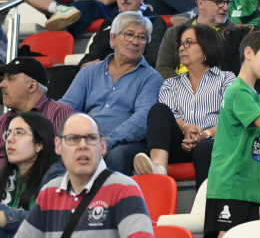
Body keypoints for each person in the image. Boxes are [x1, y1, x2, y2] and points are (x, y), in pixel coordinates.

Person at [204, 31, 260, 237]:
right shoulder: (239, 90)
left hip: (246, 186)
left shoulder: (250, 93)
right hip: (231, 183)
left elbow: (244, 135)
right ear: (248, 52)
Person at [16, 113, 153, 236]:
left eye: (91, 138)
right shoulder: (49, 192)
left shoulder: (124, 189)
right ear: (58, 146)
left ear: (103, 146)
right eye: (73, 139)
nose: (83, 145)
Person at [59, 11, 162, 175]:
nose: (135, 42)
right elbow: (66, 108)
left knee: (117, 156)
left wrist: (108, 141)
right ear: (113, 38)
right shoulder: (89, 72)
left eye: (142, 37)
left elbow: (143, 118)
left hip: (125, 143)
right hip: (86, 137)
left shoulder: (151, 78)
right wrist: (77, 138)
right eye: (129, 35)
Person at [134, 24, 235, 190]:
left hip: (212, 141)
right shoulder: (171, 84)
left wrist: (205, 134)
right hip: (180, 143)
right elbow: (170, 117)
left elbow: (231, 117)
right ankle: (158, 169)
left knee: (205, 149)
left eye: (188, 43)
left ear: (206, 47)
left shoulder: (226, 79)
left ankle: (203, 206)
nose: (181, 48)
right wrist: (187, 128)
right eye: (180, 44)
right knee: (159, 110)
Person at [77, 0, 167, 69]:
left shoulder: (155, 22)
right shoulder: (108, 22)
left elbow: (152, 60)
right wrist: (84, 66)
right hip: (102, 75)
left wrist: (113, 67)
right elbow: (92, 54)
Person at [156, 0, 235, 79]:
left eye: (228, 2)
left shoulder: (234, 34)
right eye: (219, 2)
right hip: (176, 89)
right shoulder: (174, 32)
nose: (225, 7)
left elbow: (228, 74)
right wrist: (184, 87)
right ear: (200, 3)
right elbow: (162, 68)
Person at [0, 57, 73, 169]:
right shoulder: (2, 121)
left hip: (46, 183)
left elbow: (66, 159)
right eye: (3, 78)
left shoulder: (59, 112)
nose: (2, 84)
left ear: (32, 86)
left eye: (10, 79)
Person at [0, 112, 62, 236]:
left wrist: (5, 217)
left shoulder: (55, 177)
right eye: (8, 133)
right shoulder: (8, 175)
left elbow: (52, 219)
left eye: (19, 133)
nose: (10, 139)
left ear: (39, 143)